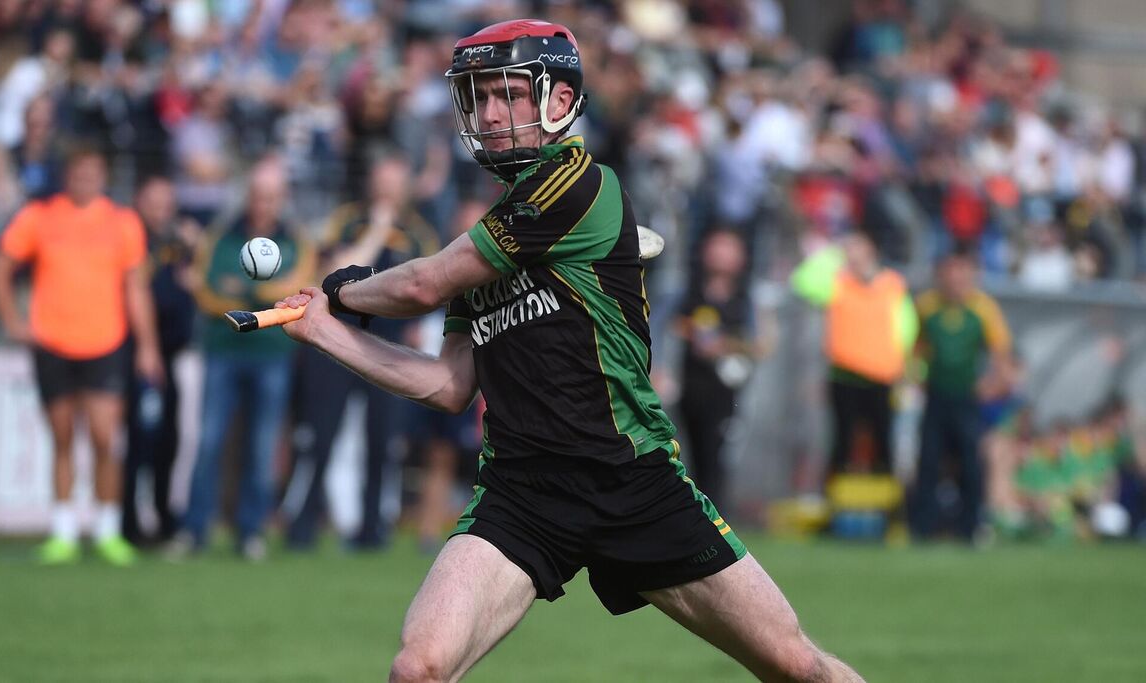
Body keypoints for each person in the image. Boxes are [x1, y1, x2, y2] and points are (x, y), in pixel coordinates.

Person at [275, 20, 864, 682]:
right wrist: (326, 331)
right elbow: (445, 384)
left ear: (559, 101)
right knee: (419, 668)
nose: (491, 113)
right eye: (479, 97)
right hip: (522, 492)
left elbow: (421, 284)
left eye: (509, 94)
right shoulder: (485, 247)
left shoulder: (578, 184)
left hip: (631, 478)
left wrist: (343, 291)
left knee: (797, 665)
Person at [0, 146, 163, 565]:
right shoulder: (40, 217)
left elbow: (135, 289)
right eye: (80, 173)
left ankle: (107, 529)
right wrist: (13, 321)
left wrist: (148, 346)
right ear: (68, 175)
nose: (86, 180)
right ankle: (63, 531)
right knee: (62, 437)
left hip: (106, 342)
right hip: (52, 342)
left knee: (105, 437)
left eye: (94, 173)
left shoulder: (122, 223)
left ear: (104, 176)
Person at [283, 154, 440, 551]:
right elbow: (335, 269)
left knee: (381, 442)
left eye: (394, 184)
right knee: (321, 436)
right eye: (381, 182)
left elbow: (429, 291)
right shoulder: (348, 221)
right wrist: (378, 230)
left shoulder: (420, 235)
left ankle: (372, 533)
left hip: (389, 349)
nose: (387, 191)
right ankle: (303, 528)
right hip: (338, 344)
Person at [172, 157, 315, 561]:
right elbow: (207, 292)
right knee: (209, 441)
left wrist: (244, 292)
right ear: (248, 196)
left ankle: (250, 531)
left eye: (271, 197)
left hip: (272, 354)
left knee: (262, 446)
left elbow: (296, 290)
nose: (263, 204)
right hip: (223, 350)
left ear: (281, 199)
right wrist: (262, 297)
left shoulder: (296, 240)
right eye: (257, 195)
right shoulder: (222, 236)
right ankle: (193, 530)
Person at [791, 230, 917, 486]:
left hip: (882, 377)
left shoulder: (891, 284)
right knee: (842, 442)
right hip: (845, 374)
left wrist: (903, 365)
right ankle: (836, 502)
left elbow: (905, 328)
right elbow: (802, 282)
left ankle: (886, 507)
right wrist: (834, 255)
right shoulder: (838, 283)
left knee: (883, 443)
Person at [909, 245, 1014, 543]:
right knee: (928, 460)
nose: (955, 280)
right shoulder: (927, 305)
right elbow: (916, 346)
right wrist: (917, 376)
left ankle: (971, 526)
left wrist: (992, 384)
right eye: (949, 273)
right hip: (936, 397)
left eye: (961, 273)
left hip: (967, 399)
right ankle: (923, 527)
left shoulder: (983, 308)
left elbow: (1001, 353)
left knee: (971, 461)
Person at [121, 176, 198, 546]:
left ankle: (164, 518)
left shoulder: (177, 245)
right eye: (154, 202)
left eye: (167, 203)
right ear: (139, 202)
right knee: (141, 440)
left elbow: (194, 285)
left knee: (168, 440)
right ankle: (129, 524)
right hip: (138, 356)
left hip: (169, 356)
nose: (162, 210)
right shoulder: (132, 242)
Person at [674, 228, 770, 508]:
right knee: (688, 456)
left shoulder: (745, 298)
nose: (720, 254)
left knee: (716, 457)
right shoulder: (687, 290)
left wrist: (724, 345)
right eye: (716, 246)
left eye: (728, 248)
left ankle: (716, 519)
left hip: (727, 392)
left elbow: (760, 344)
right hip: (689, 386)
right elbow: (665, 326)